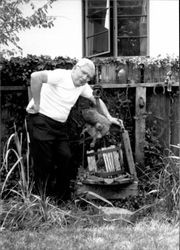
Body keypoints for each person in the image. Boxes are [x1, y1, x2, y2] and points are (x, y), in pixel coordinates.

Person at [26, 58, 121, 201]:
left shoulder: (82, 86)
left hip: (59, 126)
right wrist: (37, 104)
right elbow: (35, 77)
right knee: (43, 163)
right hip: (41, 121)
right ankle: (40, 202)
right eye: (83, 73)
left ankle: (61, 200)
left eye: (89, 77)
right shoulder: (61, 75)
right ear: (75, 68)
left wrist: (108, 116)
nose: (85, 78)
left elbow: (96, 100)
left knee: (66, 157)